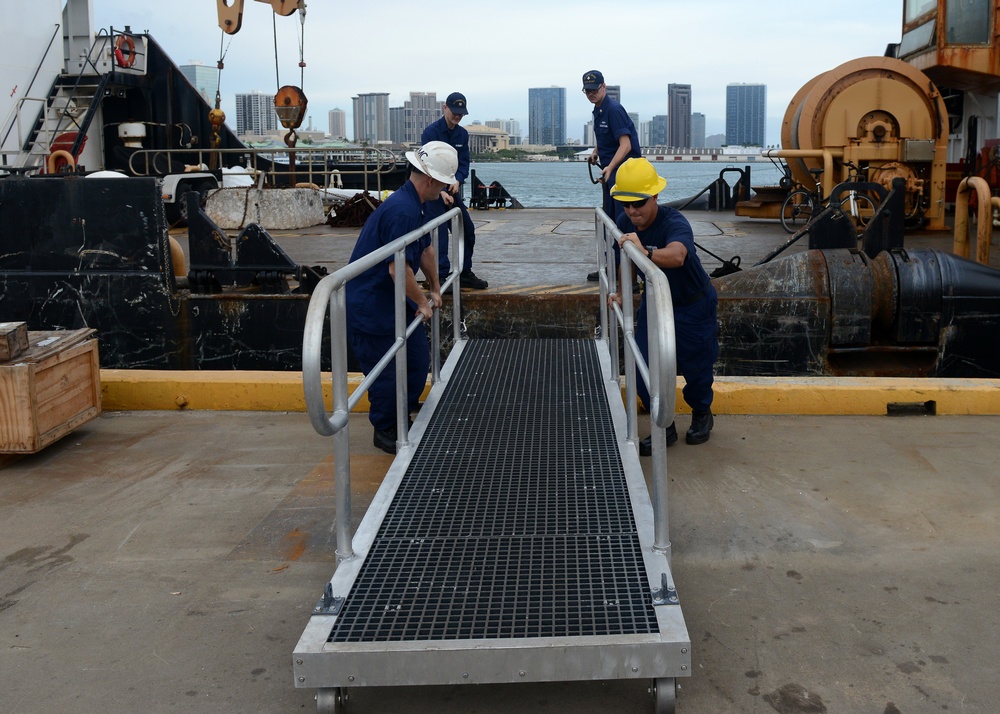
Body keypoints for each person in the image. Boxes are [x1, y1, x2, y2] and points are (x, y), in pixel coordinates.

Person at [345, 141, 458, 454]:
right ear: (432, 180)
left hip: (391, 299)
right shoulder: (403, 210)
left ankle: (403, 413)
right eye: (445, 181)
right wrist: (423, 301)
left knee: (417, 359)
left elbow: (425, 248)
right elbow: (398, 269)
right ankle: (386, 429)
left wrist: (435, 286)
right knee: (386, 370)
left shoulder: (415, 202)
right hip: (372, 303)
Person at [607, 158, 719, 452]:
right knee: (643, 362)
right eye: (625, 204)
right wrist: (623, 292)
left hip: (692, 304)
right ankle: (664, 426)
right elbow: (627, 260)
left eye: (639, 203)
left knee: (696, 368)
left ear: (655, 196)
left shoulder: (674, 222)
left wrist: (646, 251)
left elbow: (678, 255)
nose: (632, 211)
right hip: (654, 303)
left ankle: (702, 414)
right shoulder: (624, 222)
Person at [421, 92, 488, 290]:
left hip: (452, 190)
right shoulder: (431, 132)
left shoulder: (462, 134)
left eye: (461, 114)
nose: (457, 117)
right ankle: (440, 276)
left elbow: (463, 163)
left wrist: (458, 180)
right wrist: (438, 190)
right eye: (454, 112)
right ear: (445, 108)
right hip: (434, 192)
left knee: (467, 230)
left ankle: (464, 271)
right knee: (439, 234)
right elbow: (427, 165)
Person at [583, 70, 641, 282]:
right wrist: (596, 152)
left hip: (624, 173)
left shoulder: (614, 110)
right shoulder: (598, 111)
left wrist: (610, 168)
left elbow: (625, 145)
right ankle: (612, 266)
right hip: (611, 173)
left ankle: (628, 274)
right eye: (587, 91)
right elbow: (608, 138)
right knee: (610, 222)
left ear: (604, 87)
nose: (591, 94)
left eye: (594, 90)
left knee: (622, 222)